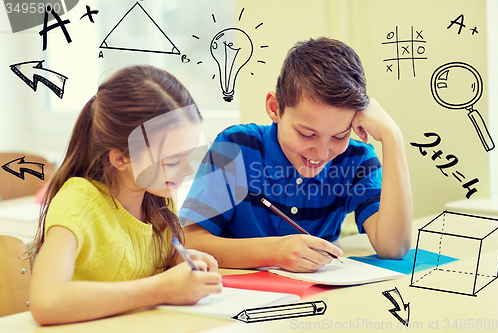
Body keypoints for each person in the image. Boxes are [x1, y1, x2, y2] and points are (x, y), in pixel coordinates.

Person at [179, 37, 413, 273]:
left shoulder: (356, 159)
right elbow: (189, 241)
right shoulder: (235, 147)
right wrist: (275, 252)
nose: (321, 153)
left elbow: (393, 249)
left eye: (339, 136)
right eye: (306, 134)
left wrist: (392, 137)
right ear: (274, 108)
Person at [28, 65, 222, 325]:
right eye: (174, 160)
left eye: (189, 155)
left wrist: (180, 261)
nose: (187, 170)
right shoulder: (77, 203)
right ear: (121, 158)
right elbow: (46, 302)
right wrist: (162, 288)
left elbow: (145, 260)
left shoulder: (158, 196)